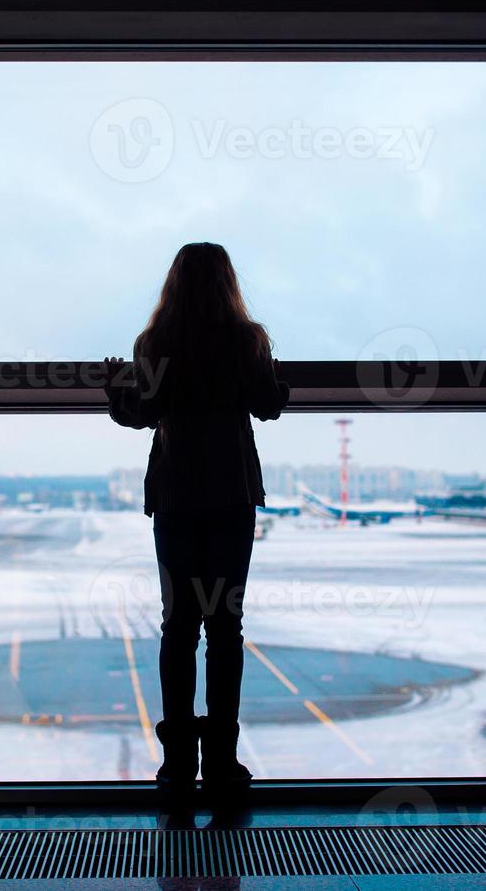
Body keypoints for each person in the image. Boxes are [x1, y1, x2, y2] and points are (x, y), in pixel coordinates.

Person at [104, 242, 289, 801]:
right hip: (230, 495)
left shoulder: (155, 343)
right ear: (228, 282)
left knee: (178, 627)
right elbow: (269, 404)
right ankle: (223, 762)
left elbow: (139, 415)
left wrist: (116, 389)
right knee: (225, 628)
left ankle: (177, 763)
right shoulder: (245, 340)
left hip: (177, 497)